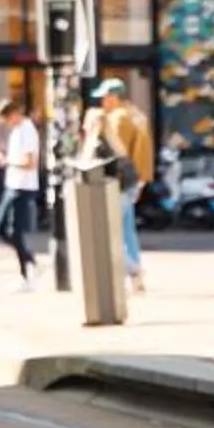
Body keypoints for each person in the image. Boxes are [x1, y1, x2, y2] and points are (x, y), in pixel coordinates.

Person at [86, 77, 151, 289]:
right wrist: (142, 179)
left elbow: (115, 153)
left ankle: (133, 270)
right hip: (133, 179)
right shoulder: (135, 115)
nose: (102, 103)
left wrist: (94, 130)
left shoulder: (117, 119)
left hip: (120, 181)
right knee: (126, 229)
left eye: (104, 98)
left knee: (112, 230)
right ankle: (136, 275)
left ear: (114, 98)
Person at [0, 95, 42, 287]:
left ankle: (26, 274)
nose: (6, 124)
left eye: (6, 119)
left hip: (23, 187)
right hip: (13, 185)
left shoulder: (27, 130)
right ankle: (30, 260)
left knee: (14, 231)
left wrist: (6, 161)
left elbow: (30, 162)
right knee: (0, 228)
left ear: (14, 114)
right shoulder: (17, 131)